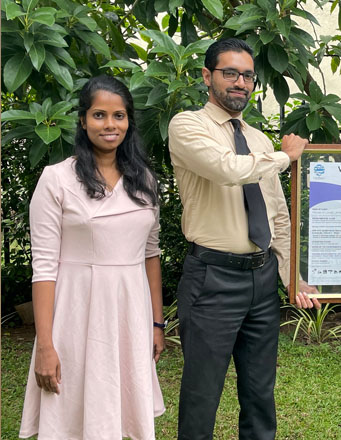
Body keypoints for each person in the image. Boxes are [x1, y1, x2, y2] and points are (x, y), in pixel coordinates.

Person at [168, 38, 319, 440]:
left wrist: (290, 276)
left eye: (248, 76)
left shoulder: (258, 140)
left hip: (262, 280)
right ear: (207, 76)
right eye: (230, 73)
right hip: (212, 280)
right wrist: (286, 157)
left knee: (259, 394)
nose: (240, 82)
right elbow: (226, 169)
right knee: (202, 395)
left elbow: (278, 217)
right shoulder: (187, 126)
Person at [19, 75, 165, 439]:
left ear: (129, 121)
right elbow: (44, 268)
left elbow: (150, 255)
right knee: (73, 412)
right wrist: (46, 345)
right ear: (83, 120)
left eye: (119, 115)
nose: (110, 124)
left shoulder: (144, 181)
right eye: (99, 115)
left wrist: (156, 323)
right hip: (75, 314)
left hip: (130, 312)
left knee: (120, 410)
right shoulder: (57, 179)